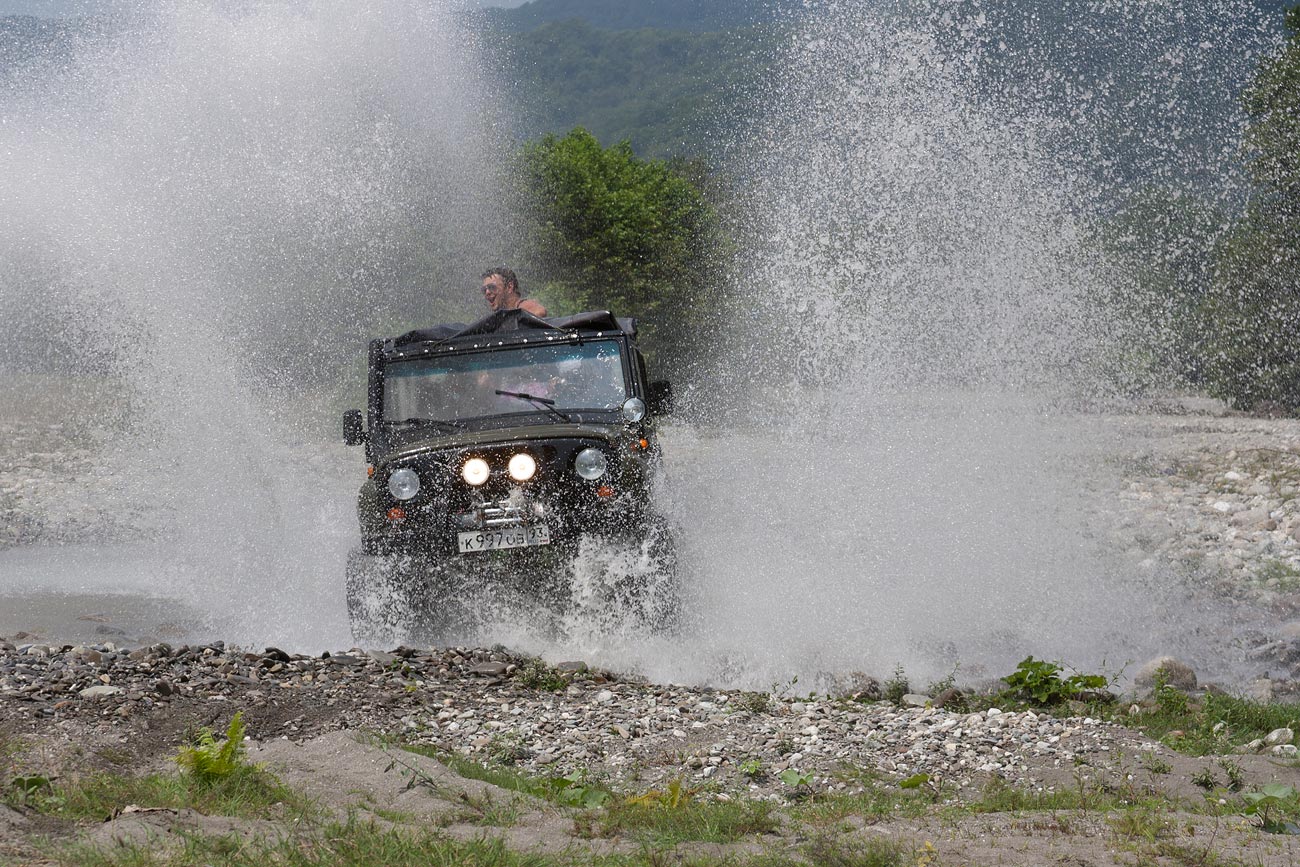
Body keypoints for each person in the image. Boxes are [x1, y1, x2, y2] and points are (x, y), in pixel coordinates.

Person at [481, 267, 548, 317]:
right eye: (484, 290)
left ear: (509, 287)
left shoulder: (522, 305)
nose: (487, 292)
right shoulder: (504, 315)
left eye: (492, 287)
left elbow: (540, 312)